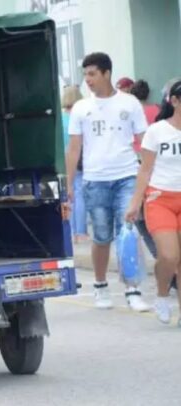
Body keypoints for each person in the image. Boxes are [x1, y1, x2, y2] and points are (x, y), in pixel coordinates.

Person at [66, 52, 150, 311]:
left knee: (127, 233)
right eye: (85, 75)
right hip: (95, 180)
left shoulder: (130, 103)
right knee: (101, 237)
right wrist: (69, 185)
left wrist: (148, 178)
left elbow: (145, 142)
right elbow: (74, 148)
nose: (87, 80)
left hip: (126, 176)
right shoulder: (81, 107)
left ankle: (132, 288)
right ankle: (100, 285)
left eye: (92, 74)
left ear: (106, 73)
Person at [125, 80, 181, 325]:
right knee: (169, 255)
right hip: (160, 199)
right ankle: (161, 295)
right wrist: (135, 203)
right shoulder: (157, 131)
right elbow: (145, 171)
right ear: (175, 101)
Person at [61, 85, 88, 243]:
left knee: (67, 196)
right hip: (78, 157)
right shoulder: (80, 117)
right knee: (79, 194)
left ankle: (70, 231)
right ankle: (81, 232)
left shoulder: (61, 119)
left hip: (63, 159)